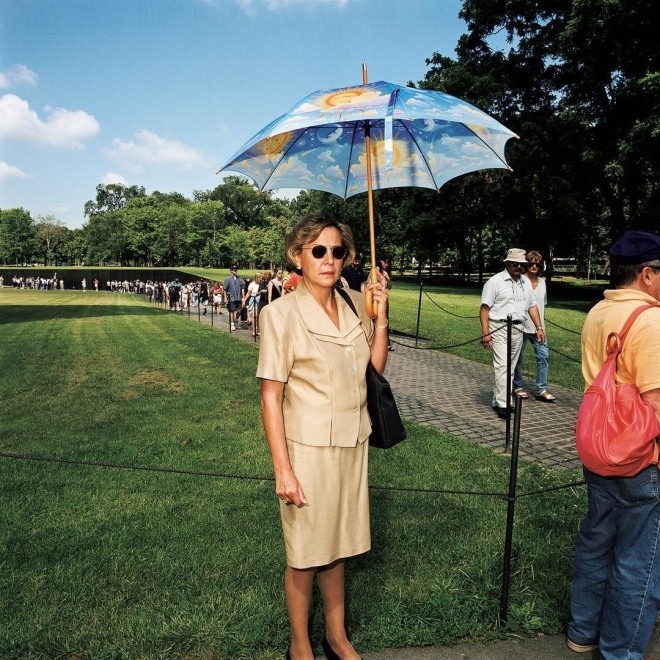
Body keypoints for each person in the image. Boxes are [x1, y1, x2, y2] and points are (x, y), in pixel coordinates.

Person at [257, 213, 390, 660]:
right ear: (298, 256)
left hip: (353, 445)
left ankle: (337, 637)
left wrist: (382, 316)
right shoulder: (279, 314)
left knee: (339, 547)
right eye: (318, 251)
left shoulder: (355, 303)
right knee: (304, 555)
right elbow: (270, 397)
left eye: (337, 251)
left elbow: (373, 372)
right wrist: (283, 471)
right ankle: (300, 646)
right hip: (308, 452)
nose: (329, 259)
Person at [567, 230, 660, 659]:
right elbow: (656, 404)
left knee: (596, 541)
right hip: (641, 459)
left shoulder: (598, 311)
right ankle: (620, 652)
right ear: (646, 273)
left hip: (598, 447)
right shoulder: (652, 320)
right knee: (638, 560)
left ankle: (582, 631)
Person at [480, 248, 545, 419]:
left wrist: (539, 328)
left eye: (521, 264)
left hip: (518, 328)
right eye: (514, 264)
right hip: (499, 326)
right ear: (507, 264)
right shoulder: (495, 282)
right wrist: (485, 332)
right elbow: (485, 308)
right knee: (503, 366)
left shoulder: (525, 283)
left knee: (510, 366)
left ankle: (498, 399)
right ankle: (504, 403)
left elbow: (532, 306)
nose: (518, 267)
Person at [512, 250, 556, 402]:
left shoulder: (542, 283)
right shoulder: (519, 281)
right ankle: (517, 386)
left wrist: (540, 327)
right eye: (531, 263)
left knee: (543, 356)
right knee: (518, 358)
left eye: (538, 263)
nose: (534, 266)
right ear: (526, 264)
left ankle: (541, 389)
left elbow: (540, 306)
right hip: (521, 327)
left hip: (538, 328)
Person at [223, 265, 244, 331]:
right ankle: (232, 324)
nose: (236, 271)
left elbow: (243, 288)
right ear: (231, 271)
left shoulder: (240, 279)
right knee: (231, 311)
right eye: (234, 270)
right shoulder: (228, 279)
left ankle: (236, 319)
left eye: (236, 270)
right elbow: (224, 289)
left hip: (238, 297)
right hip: (231, 297)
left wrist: (243, 297)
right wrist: (225, 298)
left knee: (240, 310)